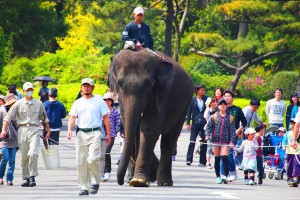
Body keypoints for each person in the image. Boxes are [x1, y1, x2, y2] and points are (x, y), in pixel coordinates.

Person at [1, 82, 50, 187]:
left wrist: (48, 131)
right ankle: (26, 178)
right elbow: (8, 117)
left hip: (34, 129)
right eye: (27, 90)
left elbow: (45, 118)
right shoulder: (18, 103)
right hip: (22, 130)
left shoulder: (39, 103)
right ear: (23, 91)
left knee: (33, 153)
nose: (29, 91)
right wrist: (4, 130)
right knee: (24, 156)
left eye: (31, 89)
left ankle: (32, 176)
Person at [67, 78, 111, 196]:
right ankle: (83, 187)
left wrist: (108, 133)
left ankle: (95, 182)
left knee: (92, 159)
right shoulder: (78, 102)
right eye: (84, 86)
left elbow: (106, 118)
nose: (86, 88)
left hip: (95, 133)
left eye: (88, 86)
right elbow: (72, 117)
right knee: (81, 162)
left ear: (93, 88)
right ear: (81, 88)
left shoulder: (99, 101)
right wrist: (69, 130)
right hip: (81, 134)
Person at [205, 98, 236, 184]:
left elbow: (233, 131)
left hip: (225, 141)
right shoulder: (214, 116)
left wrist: (232, 141)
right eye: (221, 104)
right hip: (215, 140)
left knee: (225, 157)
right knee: (217, 159)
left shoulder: (230, 118)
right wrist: (207, 135)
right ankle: (218, 176)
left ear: (226, 106)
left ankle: (224, 175)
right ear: (218, 106)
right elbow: (209, 127)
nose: (222, 106)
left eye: (224, 104)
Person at [223, 90, 247, 181]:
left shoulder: (237, 109)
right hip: (223, 134)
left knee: (229, 154)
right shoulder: (222, 108)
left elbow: (244, 122)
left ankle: (233, 172)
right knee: (223, 155)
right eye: (225, 96)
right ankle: (224, 174)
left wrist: (239, 130)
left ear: (233, 98)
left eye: (228, 96)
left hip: (234, 134)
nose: (227, 98)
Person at [186, 84, 209, 166]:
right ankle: (189, 159)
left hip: (204, 123)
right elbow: (189, 112)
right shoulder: (192, 100)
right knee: (192, 141)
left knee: (204, 142)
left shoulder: (207, 99)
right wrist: (188, 123)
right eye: (202, 90)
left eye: (204, 90)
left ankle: (202, 161)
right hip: (195, 123)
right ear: (197, 91)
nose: (203, 91)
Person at [102, 92, 121, 182]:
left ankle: (107, 172)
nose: (107, 101)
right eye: (105, 100)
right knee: (100, 154)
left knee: (106, 152)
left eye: (109, 100)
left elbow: (118, 123)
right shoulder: (100, 111)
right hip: (101, 135)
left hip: (111, 135)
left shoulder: (115, 112)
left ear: (112, 101)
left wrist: (118, 132)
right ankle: (101, 171)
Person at [0, 93, 18, 186]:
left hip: (14, 140)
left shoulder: (17, 111)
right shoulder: (2, 110)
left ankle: (9, 179)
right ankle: (0, 176)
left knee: (12, 160)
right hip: (4, 140)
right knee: (5, 158)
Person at [282, 118, 300, 187]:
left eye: (294, 124)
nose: (292, 125)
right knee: (289, 165)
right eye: (291, 124)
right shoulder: (288, 133)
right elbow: (284, 141)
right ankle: (290, 178)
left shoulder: (298, 133)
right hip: (289, 152)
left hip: (297, 152)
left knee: (296, 165)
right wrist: (283, 146)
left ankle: (296, 179)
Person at [203, 97, 218, 169]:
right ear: (210, 103)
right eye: (213, 102)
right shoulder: (208, 111)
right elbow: (206, 118)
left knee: (216, 147)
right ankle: (208, 162)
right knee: (209, 147)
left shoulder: (219, 110)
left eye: (216, 102)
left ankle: (216, 163)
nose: (214, 103)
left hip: (218, 131)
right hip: (210, 130)